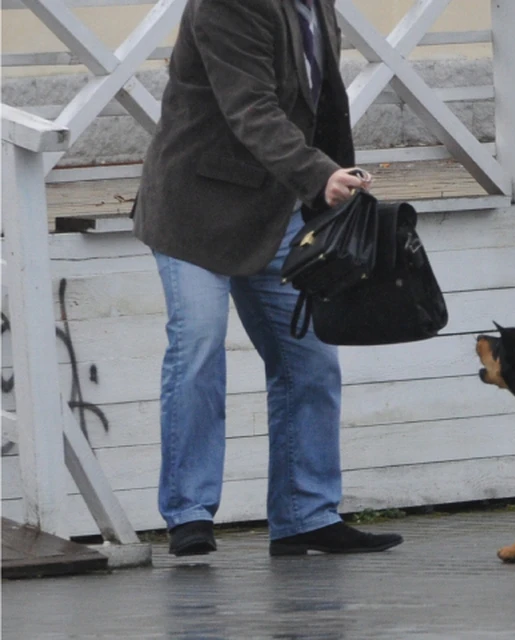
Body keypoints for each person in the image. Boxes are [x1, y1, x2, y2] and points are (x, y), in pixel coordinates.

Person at [132, 0, 403, 557]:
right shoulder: (226, 4)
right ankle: (188, 513)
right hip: (194, 210)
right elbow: (250, 107)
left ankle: (306, 515)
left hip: (277, 210)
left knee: (311, 361)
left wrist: (334, 194)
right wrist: (318, 173)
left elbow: (328, 104)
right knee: (200, 345)